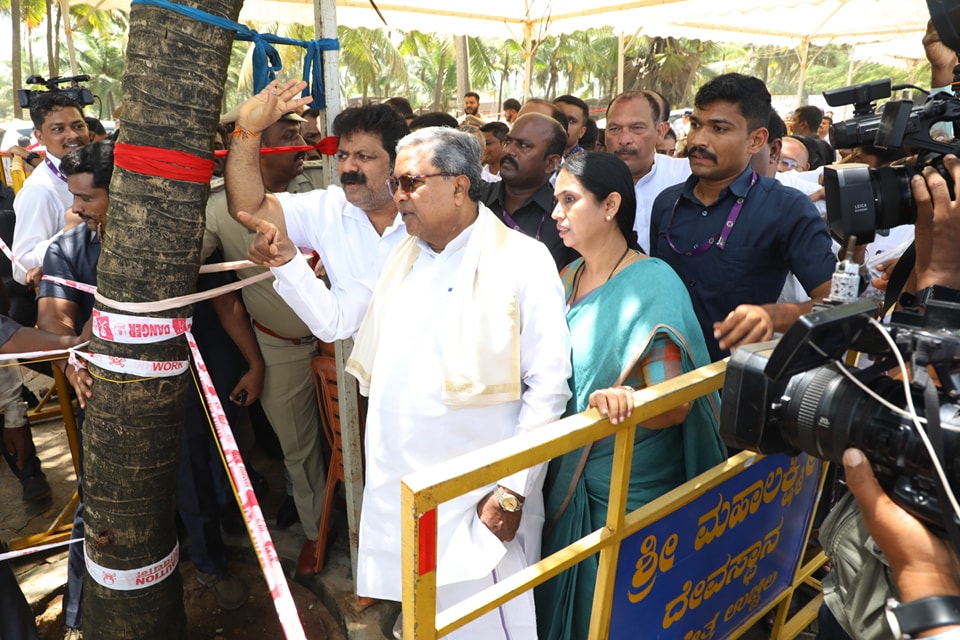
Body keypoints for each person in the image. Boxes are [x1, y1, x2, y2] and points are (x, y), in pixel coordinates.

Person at [342, 127, 572, 638]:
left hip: (478, 499)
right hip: (404, 488)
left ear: (459, 186)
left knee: (485, 626)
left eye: (410, 182)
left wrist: (511, 493)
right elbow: (335, 319)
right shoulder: (401, 258)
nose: (398, 196)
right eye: (396, 183)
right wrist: (288, 266)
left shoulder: (523, 260)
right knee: (424, 622)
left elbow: (549, 387)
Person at [535, 152, 725, 640]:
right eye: (556, 200)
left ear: (610, 205)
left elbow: (675, 404)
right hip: (564, 472)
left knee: (610, 613)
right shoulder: (566, 277)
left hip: (624, 485)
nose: (556, 213)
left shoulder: (652, 283)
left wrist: (626, 403)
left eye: (569, 200)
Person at [224, 82, 410, 575]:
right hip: (373, 386)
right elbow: (250, 207)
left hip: (438, 388)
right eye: (343, 154)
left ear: (397, 162)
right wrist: (247, 131)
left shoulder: (426, 216)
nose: (349, 166)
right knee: (383, 492)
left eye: (365, 156)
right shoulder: (329, 209)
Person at [648, 73, 835, 361]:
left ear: (756, 140)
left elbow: (836, 303)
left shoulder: (787, 208)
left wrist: (773, 316)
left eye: (719, 129)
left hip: (734, 377)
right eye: (695, 125)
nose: (699, 140)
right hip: (667, 376)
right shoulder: (666, 204)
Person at [480, 113, 576, 270]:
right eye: (508, 141)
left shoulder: (565, 218)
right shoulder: (475, 199)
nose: (509, 151)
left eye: (524, 146)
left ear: (551, 163)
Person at [12, 93, 88, 287]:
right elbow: (21, 269)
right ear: (40, 137)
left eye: (78, 126)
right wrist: (69, 232)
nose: (73, 135)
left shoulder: (94, 170)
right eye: (58, 129)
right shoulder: (39, 190)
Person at [605, 91, 690, 253]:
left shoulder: (687, 176)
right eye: (614, 129)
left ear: (660, 131)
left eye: (637, 128)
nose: (624, 140)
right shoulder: (588, 185)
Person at [553, 95, 589, 159]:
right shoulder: (536, 156)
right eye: (559, 118)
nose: (564, 124)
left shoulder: (587, 163)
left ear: (582, 132)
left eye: (572, 121)